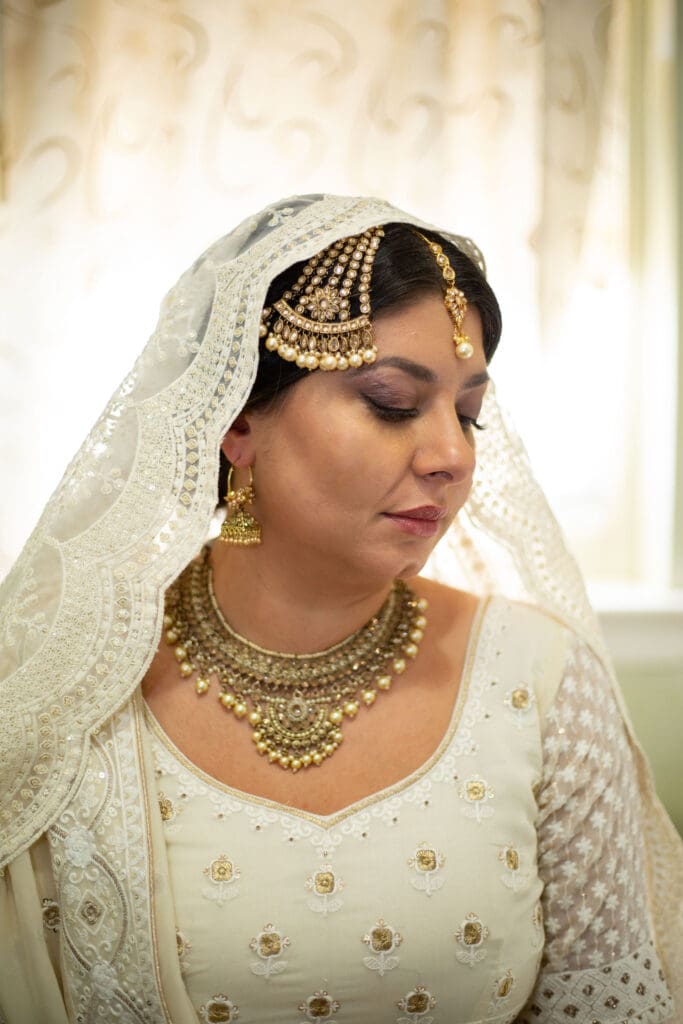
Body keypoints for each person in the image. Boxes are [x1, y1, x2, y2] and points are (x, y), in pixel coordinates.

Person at [0, 194, 681, 1024]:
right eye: (393, 402)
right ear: (239, 421)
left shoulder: (539, 681)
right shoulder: (67, 683)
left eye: (467, 415)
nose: (450, 457)